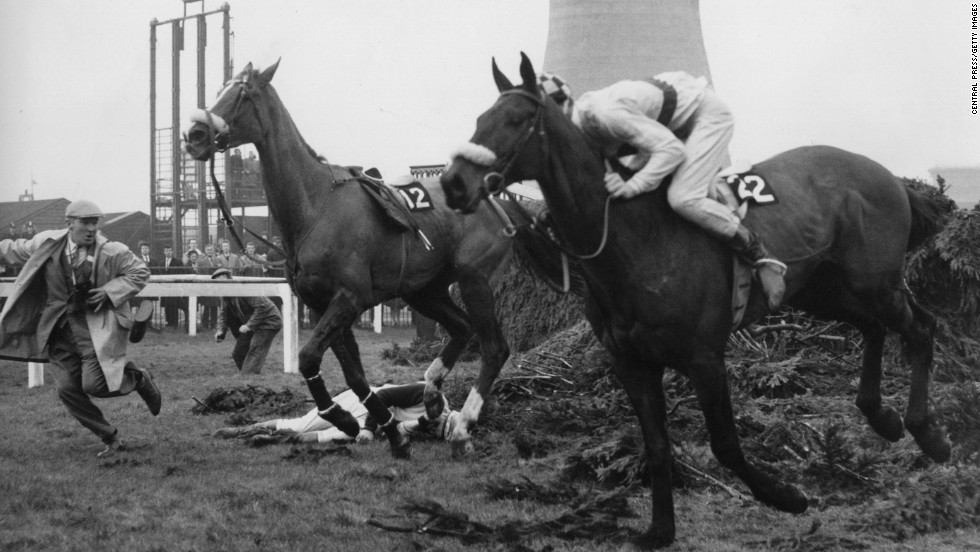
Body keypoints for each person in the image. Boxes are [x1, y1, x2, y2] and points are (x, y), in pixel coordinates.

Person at [537, 72, 787, 309]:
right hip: (668, 126)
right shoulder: (581, 128)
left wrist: (631, 186)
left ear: (560, 108)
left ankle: (761, 256)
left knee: (683, 198)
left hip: (703, 118)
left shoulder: (603, 115)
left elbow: (671, 151)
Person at [0, 199, 161, 457]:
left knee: (95, 385)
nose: (90, 229)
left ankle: (138, 378)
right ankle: (110, 437)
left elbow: (140, 272)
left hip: (93, 331)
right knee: (66, 390)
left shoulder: (112, 251)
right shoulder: (47, 243)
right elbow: (14, 249)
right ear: (69, 223)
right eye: (84, 222)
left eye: (94, 223)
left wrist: (110, 292)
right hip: (57, 331)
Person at [212, 382, 458, 444]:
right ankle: (242, 429)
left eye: (437, 433)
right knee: (300, 424)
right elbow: (382, 396)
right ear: (445, 415)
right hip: (363, 401)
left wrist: (423, 422)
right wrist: (369, 429)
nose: (433, 432)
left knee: (329, 438)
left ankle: (271, 440)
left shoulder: (429, 424)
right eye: (438, 427)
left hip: (369, 423)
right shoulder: (431, 395)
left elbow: (400, 429)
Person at [212, 268, 282, 374]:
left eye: (218, 280)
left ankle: (249, 376)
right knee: (238, 354)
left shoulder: (244, 289)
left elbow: (262, 308)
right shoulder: (224, 294)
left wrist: (248, 325)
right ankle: (249, 375)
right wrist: (221, 330)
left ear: (226, 277)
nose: (217, 285)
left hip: (269, 321)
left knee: (255, 348)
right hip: (253, 324)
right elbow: (223, 314)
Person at [157, 245, 189, 328]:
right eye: (166, 251)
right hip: (165, 289)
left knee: (174, 306)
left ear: (172, 252)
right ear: (164, 252)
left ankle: (174, 324)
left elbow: (182, 274)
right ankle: (168, 324)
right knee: (167, 306)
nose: (168, 252)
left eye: (170, 250)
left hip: (175, 288)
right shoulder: (161, 263)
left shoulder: (178, 262)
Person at [196, 244, 220, 329]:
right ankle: (205, 324)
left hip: (215, 287)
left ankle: (213, 324)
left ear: (214, 250)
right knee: (206, 306)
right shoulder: (201, 262)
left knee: (214, 306)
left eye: (211, 249)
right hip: (206, 286)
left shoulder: (218, 260)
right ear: (205, 251)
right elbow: (199, 273)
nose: (210, 251)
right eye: (208, 250)